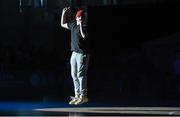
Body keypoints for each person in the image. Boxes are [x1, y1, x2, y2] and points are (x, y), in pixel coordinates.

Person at [61, 7, 90, 105]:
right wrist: (63, 13)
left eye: (82, 17)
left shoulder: (85, 26)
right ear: (77, 18)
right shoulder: (73, 25)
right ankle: (77, 95)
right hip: (74, 53)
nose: (81, 18)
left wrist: (81, 24)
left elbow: (83, 36)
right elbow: (62, 24)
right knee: (74, 74)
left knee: (81, 75)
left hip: (83, 54)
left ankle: (83, 96)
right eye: (80, 17)